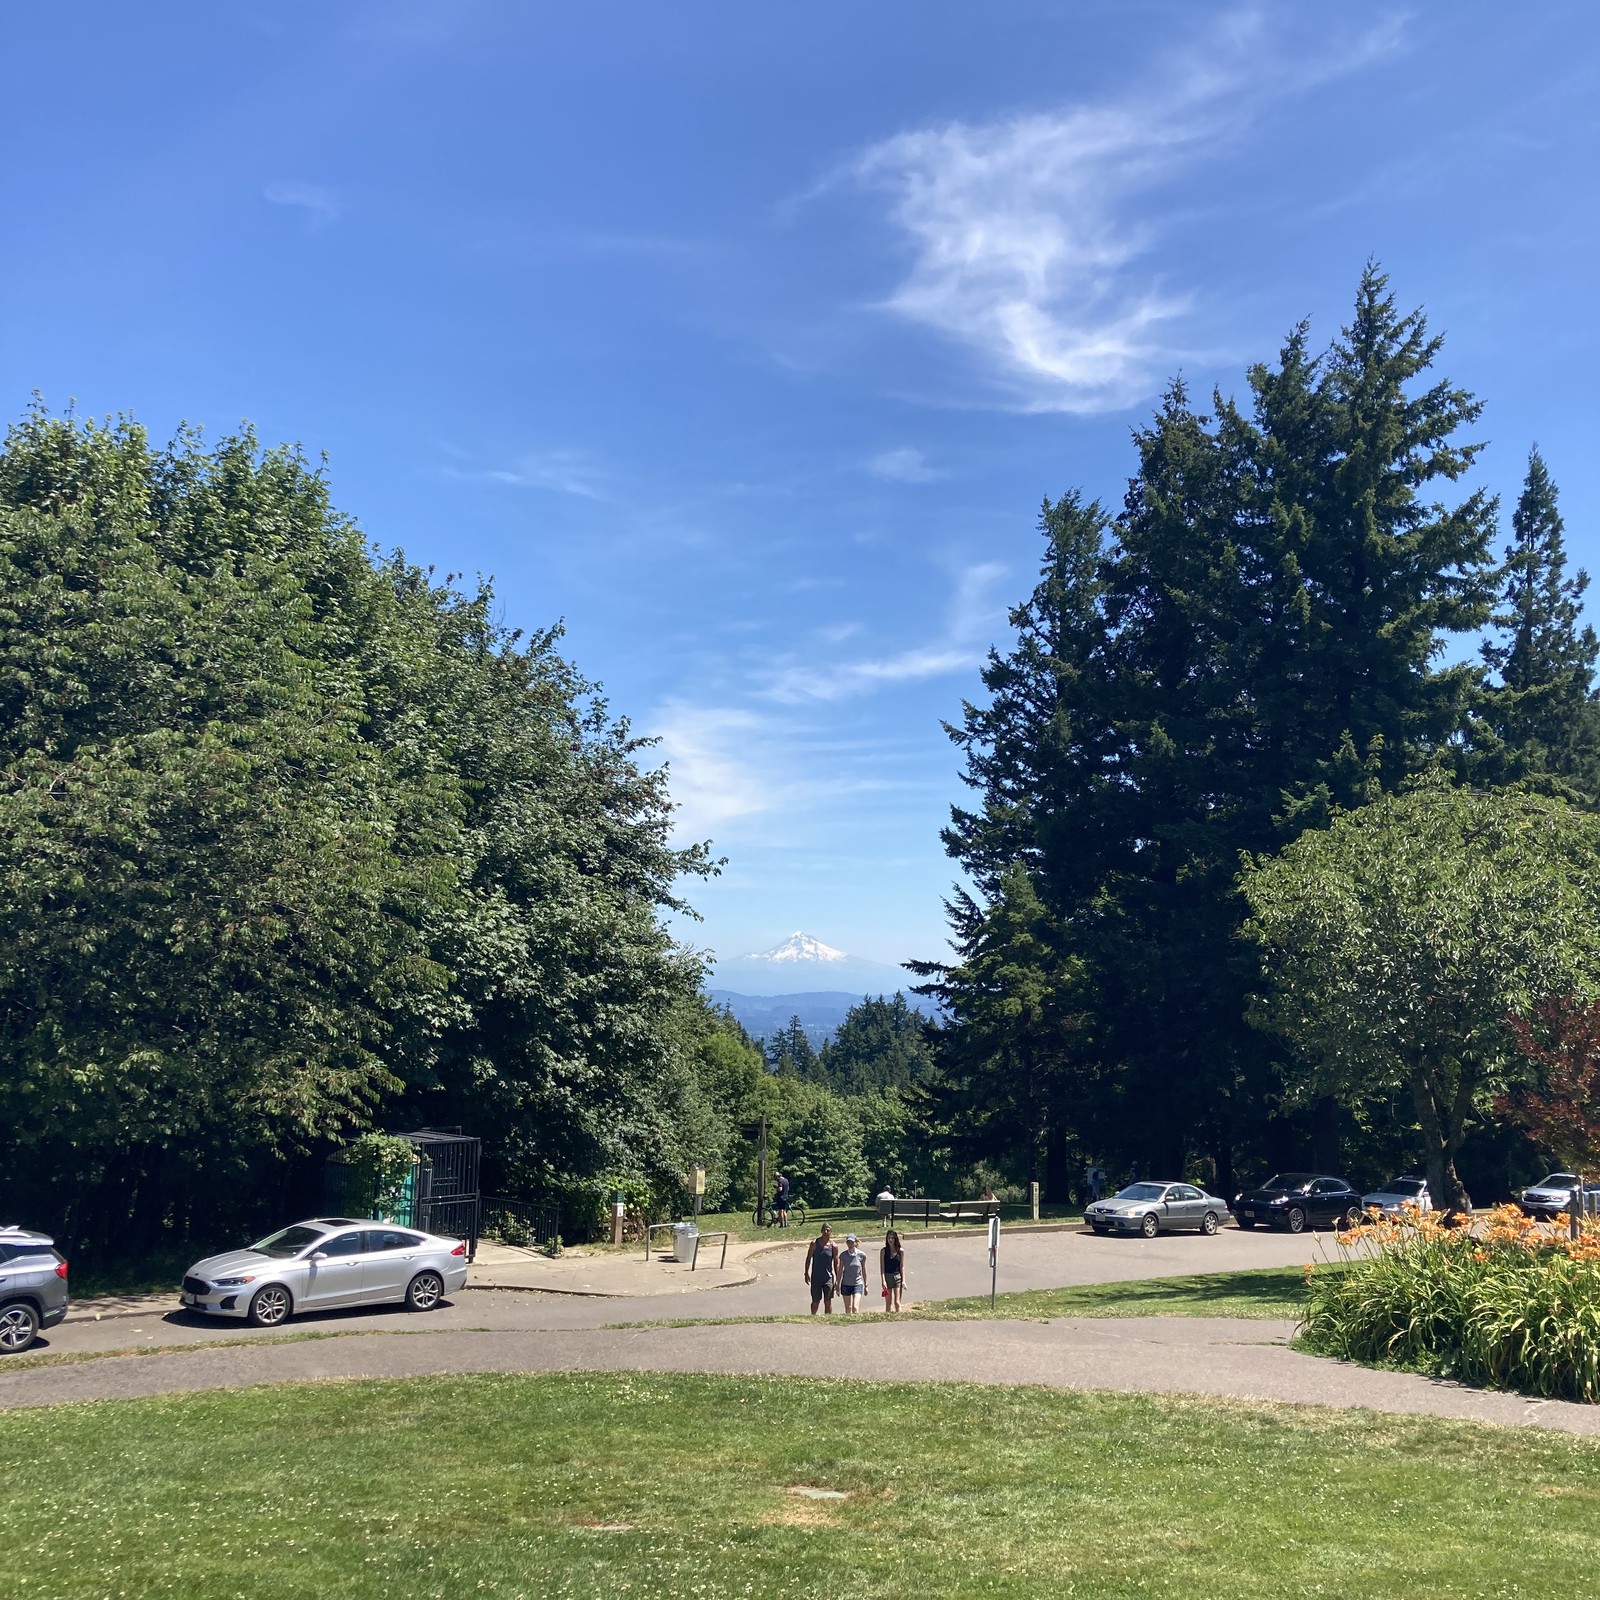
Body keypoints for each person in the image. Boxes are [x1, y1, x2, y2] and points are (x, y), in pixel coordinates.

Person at [803, 1222, 838, 1315]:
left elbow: (836, 1263)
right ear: (821, 1231)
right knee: (816, 1301)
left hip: (828, 1278)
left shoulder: (834, 1246)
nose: (825, 1232)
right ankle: (813, 1316)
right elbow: (808, 1258)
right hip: (816, 1278)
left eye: (828, 1230)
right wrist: (806, 1273)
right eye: (824, 1229)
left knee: (828, 1301)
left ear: (831, 1232)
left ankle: (828, 1318)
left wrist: (838, 1279)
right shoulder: (815, 1243)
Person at [837, 1232, 869, 1314]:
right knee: (848, 1308)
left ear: (855, 1242)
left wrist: (866, 1285)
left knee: (855, 1307)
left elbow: (864, 1271)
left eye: (852, 1242)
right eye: (848, 1242)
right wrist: (837, 1285)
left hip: (857, 1284)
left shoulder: (861, 1255)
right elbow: (840, 1271)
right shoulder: (843, 1255)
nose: (850, 1244)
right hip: (846, 1284)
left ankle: (857, 1323)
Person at [880, 1228, 906, 1313]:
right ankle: (888, 1318)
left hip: (897, 1277)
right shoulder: (883, 1251)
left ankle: (898, 1316)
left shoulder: (900, 1251)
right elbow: (882, 1267)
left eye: (892, 1238)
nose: (890, 1240)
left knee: (897, 1302)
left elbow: (902, 1266)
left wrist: (903, 1280)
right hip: (887, 1277)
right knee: (888, 1303)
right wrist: (883, 1280)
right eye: (888, 1238)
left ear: (895, 1239)